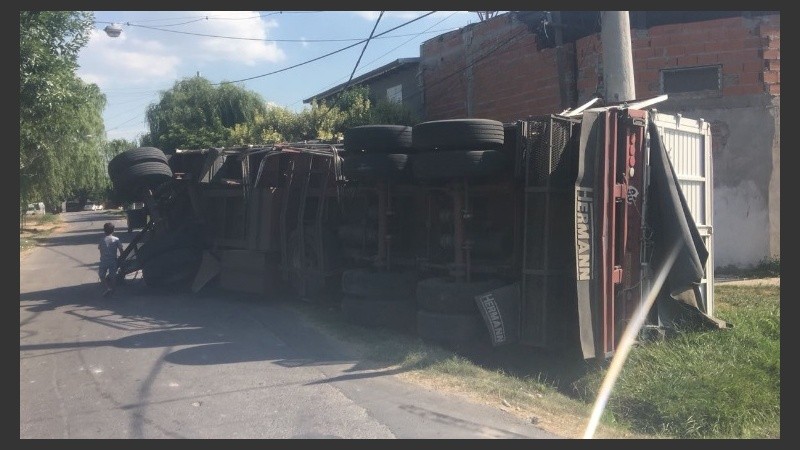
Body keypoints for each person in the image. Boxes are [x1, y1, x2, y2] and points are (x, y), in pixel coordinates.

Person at [98, 222, 124, 297]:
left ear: (104, 230)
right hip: (113, 260)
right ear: (113, 230)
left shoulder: (102, 240)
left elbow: (100, 249)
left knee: (101, 275)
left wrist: (102, 256)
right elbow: (121, 250)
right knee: (113, 276)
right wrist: (122, 258)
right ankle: (113, 290)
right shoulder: (116, 239)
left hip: (104, 260)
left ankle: (107, 288)